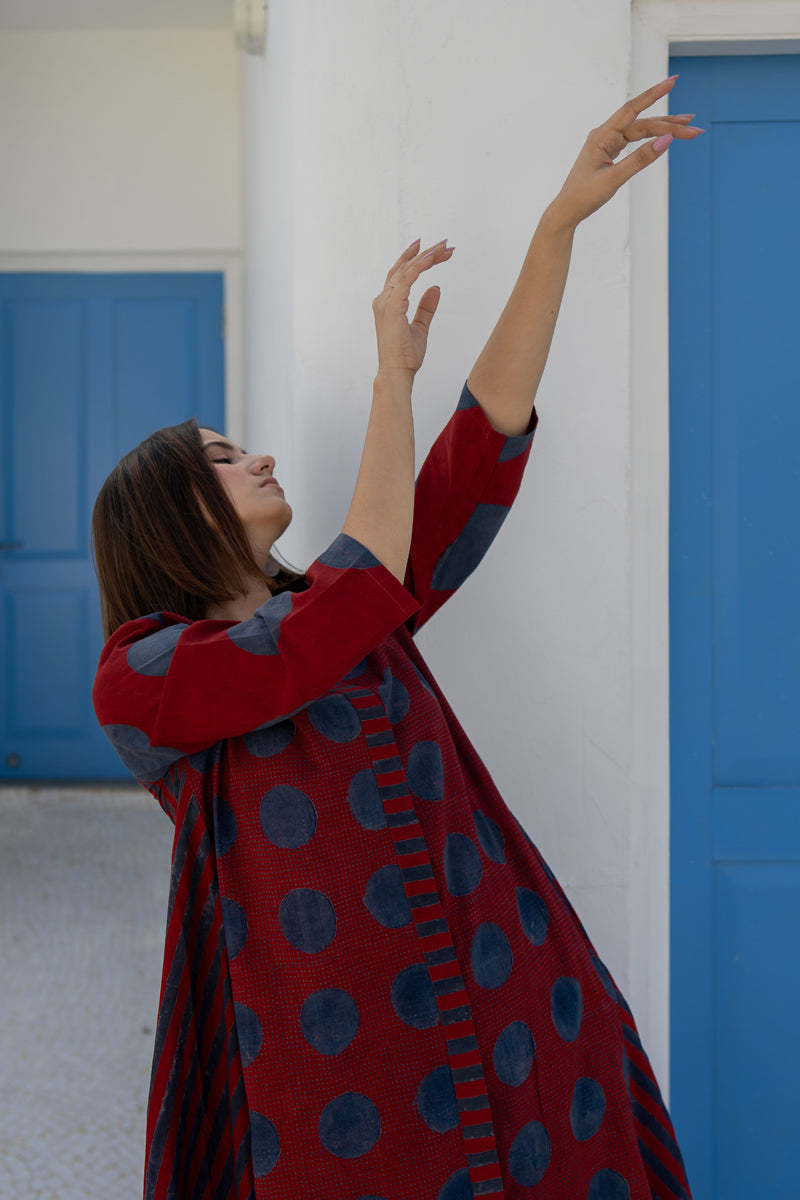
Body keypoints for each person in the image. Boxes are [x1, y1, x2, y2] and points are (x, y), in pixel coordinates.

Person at [92, 78, 700, 1200]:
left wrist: (555, 225)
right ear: (167, 510)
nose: (260, 459)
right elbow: (335, 609)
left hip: (496, 999)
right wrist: (389, 376)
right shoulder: (143, 681)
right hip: (322, 1086)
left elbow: (480, 443)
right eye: (223, 458)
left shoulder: (353, 608)